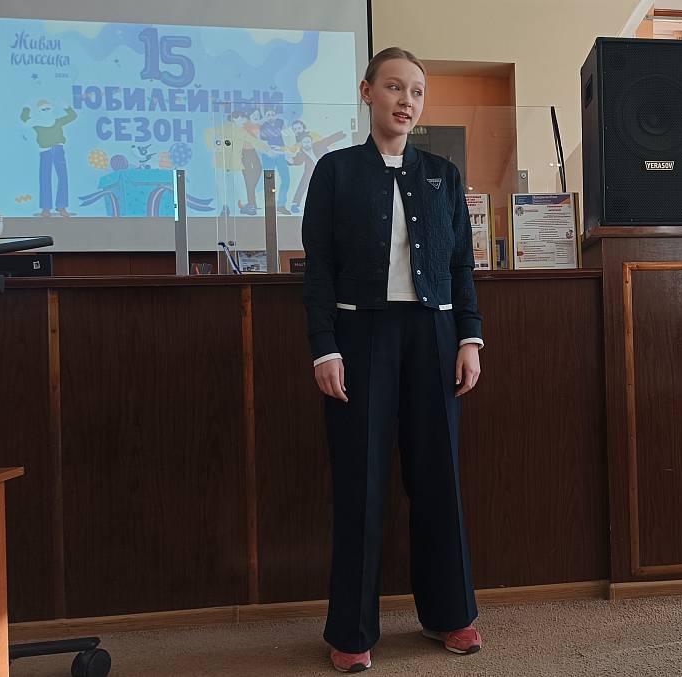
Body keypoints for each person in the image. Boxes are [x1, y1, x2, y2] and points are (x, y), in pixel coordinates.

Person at [301, 46, 483, 673]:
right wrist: (324, 346)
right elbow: (319, 269)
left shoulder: (442, 174)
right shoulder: (335, 171)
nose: (407, 101)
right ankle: (352, 632)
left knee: (439, 478)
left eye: (417, 92)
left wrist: (469, 337)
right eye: (394, 88)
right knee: (362, 481)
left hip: (434, 335)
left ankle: (451, 614)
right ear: (367, 92)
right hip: (360, 337)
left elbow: (461, 264)